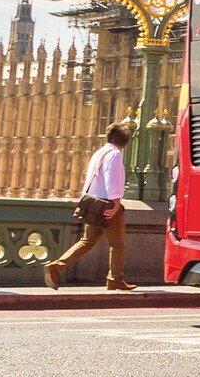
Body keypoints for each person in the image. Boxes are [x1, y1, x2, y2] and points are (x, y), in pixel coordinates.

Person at [45, 123, 134, 290]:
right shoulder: (114, 154)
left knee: (87, 241)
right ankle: (115, 279)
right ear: (125, 142)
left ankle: (57, 267)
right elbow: (111, 179)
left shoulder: (99, 153)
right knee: (118, 245)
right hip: (107, 206)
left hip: (93, 204)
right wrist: (116, 203)